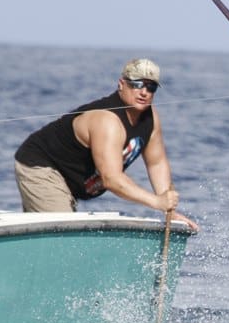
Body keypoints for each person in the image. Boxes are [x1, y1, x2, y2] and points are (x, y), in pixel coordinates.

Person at [13, 58, 198, 231]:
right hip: (41, 166)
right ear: (121, 84)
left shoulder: (151, 118)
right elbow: (112, 179)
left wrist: (169, 211)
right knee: (64, 237)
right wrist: (156, 202)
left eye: (151, 87)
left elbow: (156, 163)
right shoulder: (107, 121)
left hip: (70, 182)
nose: (143, 92)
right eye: (136, 84)